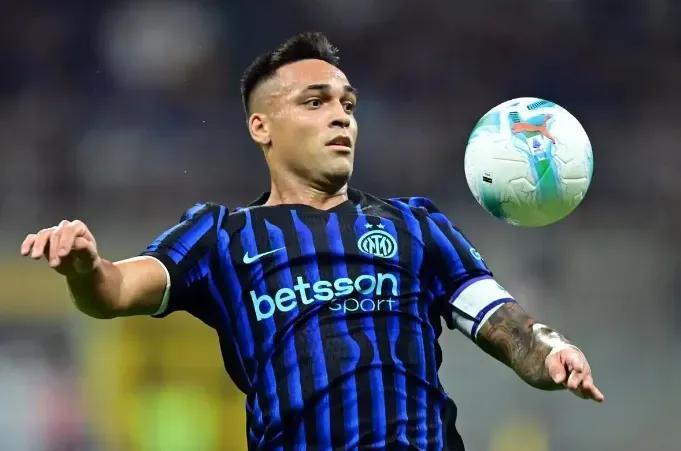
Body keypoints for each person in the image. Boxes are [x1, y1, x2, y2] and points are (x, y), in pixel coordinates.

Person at [20, 32, 604, 450]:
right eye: (315, 102)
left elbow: (501, 320)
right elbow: (115, 291)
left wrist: (549, 351)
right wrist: (84, 267)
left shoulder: (415, 226)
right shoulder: (221, 237)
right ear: (262, 127)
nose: (341, 117)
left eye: (348, 104)